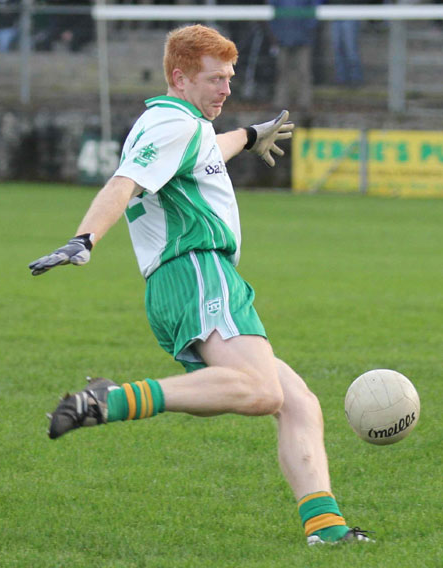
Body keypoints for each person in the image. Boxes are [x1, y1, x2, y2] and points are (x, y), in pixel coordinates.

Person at [29, 24, 373, 547]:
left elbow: (210, 147)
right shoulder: (172, 126)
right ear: (179, 77)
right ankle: (108, 401)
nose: (226, 89)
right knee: (262, 391)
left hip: (184, 279)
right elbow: (123, 183)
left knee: (297, 401)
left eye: (229, 77)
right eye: (215, 78)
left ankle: (326, 530)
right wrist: (85, 238)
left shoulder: (178, 124)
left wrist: (252, 135)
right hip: (196, 269)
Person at [268, 0, 320, 114]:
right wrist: (276, 33)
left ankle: (304, 104)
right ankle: (280, 103)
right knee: (282, 71)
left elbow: (314, 9)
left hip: (303, 38)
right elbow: (272, 11)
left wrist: (307, 30)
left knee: (303, 71)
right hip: (283, 38)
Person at [328, 0, 364, 86]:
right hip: (335, 13)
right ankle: (341, 80)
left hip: (350, 12)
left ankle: (355, 80)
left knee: (351, 49)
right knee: (338, 48)